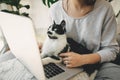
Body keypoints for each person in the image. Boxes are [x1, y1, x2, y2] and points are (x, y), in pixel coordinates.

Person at [45, 0, 120, 80]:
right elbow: (54, 41)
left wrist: (84, 59)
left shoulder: (105, 8)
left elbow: (111, 50)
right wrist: (44, 46)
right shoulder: (55, 9)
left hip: (97, 65)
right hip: (63, 64)